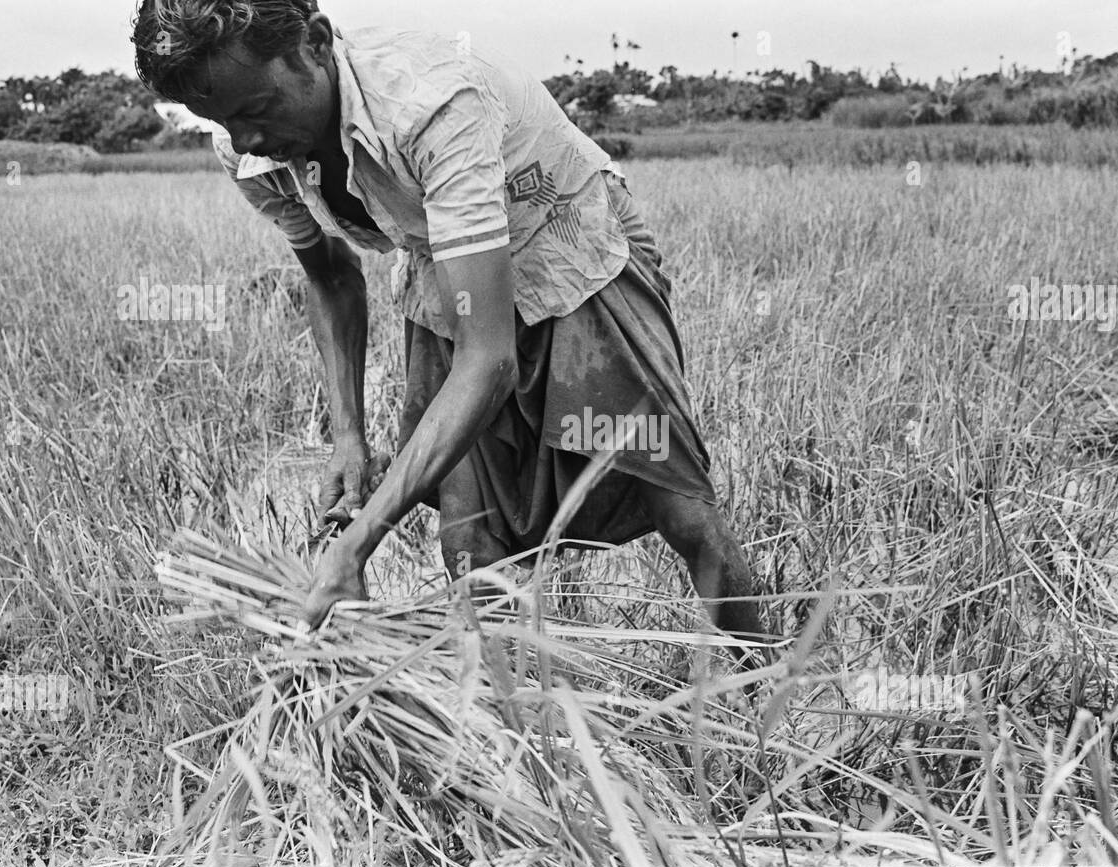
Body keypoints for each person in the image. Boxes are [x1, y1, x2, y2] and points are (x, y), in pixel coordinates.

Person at [132, 0, 767, 660]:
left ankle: (775, 704)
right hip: (447, 263)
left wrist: (359, 543)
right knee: (469, 539)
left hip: (569, 247)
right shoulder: (244, 147)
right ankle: (505, 743)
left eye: (257, 110)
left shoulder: (432, 100)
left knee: (680, 506)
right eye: (223, 121)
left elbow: (488, 361)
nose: (245, 139)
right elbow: (331, 277)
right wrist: (350, 437)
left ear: (316, 43)